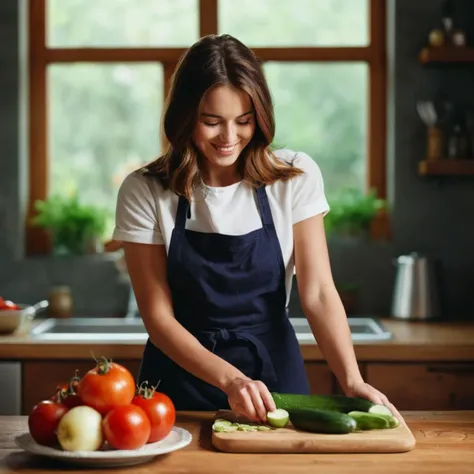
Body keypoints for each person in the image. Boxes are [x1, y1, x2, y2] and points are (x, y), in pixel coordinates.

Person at [112, 34, 403, 424]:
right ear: (184, 117)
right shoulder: (145, 189)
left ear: (260, 116)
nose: (229, 138)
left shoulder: (294, 178)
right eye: (211, 122)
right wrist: (232, 381)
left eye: (243, 121)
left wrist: (351, 379)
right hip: (176, 386)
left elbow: (316, 292)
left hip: (274, 377)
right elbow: (158, 317)